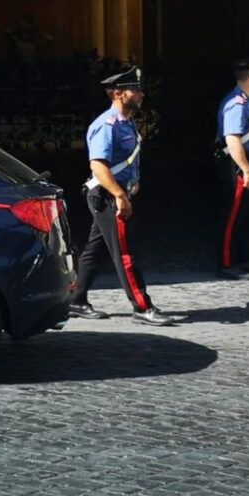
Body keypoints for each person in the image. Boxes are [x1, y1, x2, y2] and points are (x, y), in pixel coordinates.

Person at [68, 66, 176, 326]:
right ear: (118, 93)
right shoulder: (106, 125)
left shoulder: (126, 122)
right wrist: (119, 195)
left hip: (113, 193)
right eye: (135, 90)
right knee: (125, 253)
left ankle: (75, 300)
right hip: (106, 194)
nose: (141, 94)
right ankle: (142, 306)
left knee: (94, 250)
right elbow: (99, 165)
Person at [215, 55, 249, 280]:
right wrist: (245, 169)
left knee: (244, 215)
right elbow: (233, 139)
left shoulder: (248, 101)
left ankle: (245, 260)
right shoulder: (236, 104)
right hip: (237, 165)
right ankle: (227, 264)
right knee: (233, 215)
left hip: (247, 163)